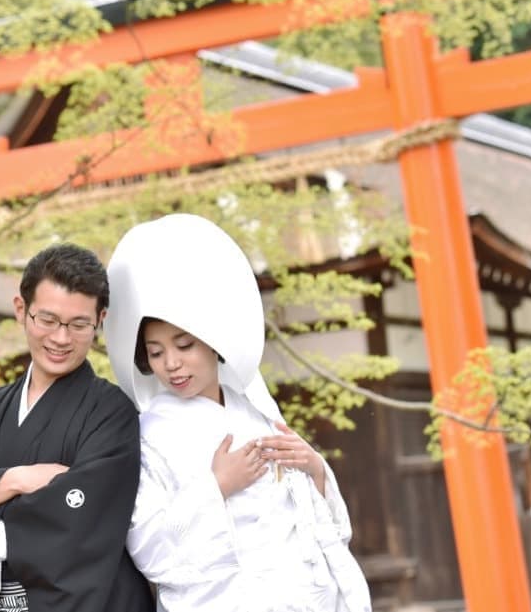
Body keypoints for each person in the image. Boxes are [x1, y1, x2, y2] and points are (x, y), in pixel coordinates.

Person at [105, 213, 372, 612]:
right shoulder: (147, 437)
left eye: (184, 345)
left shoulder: (257, 413)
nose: (171, 364)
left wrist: (315, 472)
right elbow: (149, 551)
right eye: (156, 353)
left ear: (213, 342)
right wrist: (216, 487)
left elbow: (321, 533)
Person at [0, 243, 153, 612]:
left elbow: (84, 525)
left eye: (78, 324)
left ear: (100, 320)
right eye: (48, 320)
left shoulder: (111, 413)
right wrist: (13, 480)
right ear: (22, 310)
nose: (60, 338)